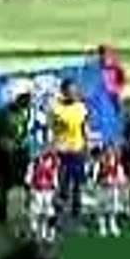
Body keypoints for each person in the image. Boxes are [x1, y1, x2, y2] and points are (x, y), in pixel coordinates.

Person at [0, 88, 31, 224]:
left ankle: (21, 209)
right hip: (4, 154)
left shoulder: (24, 112)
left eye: (28, 103)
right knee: (5, 185)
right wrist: (3, 144)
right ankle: (2, 213)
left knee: (22, 182)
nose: (26, 105)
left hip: (19, 152)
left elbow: (24, 130)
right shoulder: (2, 113)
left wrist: (22, 142)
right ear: (17, 100)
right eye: (24, 101)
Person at [50, 79, 89, 219]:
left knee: (78, 185)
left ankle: (76, 214)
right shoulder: (56, 108)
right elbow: (53, 128)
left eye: (74, 90)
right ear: (63, 92)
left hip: (77, 151)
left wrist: (87, 146)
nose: (73, 93)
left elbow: (85, 128)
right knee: (62, 185)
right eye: (69, 91)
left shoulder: (82, 107)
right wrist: (59, 125)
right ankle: (57, 215)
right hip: (62, 152)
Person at [26, 146, 61, 244]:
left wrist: (55, 191)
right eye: (41, 150)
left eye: (46, 149)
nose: (43, 151)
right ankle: (35, 232)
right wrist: (29, 192)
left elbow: (55, 178)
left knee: (49, 213)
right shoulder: (34, 163)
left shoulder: (53, 163)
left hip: (48, 191)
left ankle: (49, 233)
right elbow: (28, 179)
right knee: (34, 213)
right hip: (36, 191)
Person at [93, 142, 127, 237]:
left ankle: (112, 225)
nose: (110, 152)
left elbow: (121, 177)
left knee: (113, 207)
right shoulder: (99, 162)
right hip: (102, 189)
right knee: (101, 207)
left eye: (111, 149)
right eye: (107, 150)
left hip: (113, 188)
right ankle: (102, 225)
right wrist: (102, 181)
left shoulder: (117, 162)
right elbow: (95, 178)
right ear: (104, 151)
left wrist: (118, 181)